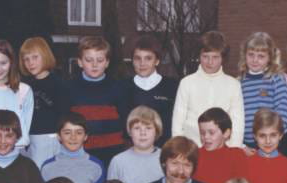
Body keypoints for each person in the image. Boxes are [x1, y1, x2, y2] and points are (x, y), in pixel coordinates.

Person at [172, 30, 244, 148]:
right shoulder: (186, 83)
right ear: (199, 56)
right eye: (205, 57)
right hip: (191, 148)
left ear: (223, 58)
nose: (210, 62)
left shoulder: (233, 85)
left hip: (222, 150)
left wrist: (234, 149)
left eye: (215, 57)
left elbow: (237, 123)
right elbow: (177, 122)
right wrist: (179, 148)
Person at [66, 36, 128, 165]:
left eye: (100, 60)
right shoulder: (69, 88)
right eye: (89, 60)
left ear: (107, 63)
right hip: (80, 154)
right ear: (80, 62)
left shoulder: (118, 88)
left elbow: (125, 120)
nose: (94, 65)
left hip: (113, 154)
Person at [41, 112, 106, 183]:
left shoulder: (96, 166)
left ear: (86, 136)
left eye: (79, 133)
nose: (73, 137)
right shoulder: (47, 167)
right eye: (67, 133)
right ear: (59, 136)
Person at [20, 36, 71, 169]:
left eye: (35, 57)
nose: (31, 63)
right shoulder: (25, 85)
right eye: (26, 59)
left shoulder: (59, 84)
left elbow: (64, 114)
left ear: (45, 56)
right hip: (30, 139)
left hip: (52, 138)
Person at [238, 31, 287, 148]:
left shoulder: (276, 79)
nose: (255, 60)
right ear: (244, 55)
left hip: (270, 142)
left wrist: (273, 137)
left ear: (270, 58)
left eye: (261, 56)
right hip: (245, 144)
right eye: (251, 55)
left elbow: (283, 113)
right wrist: (241, 145)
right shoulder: (239, 82)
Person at [124, 35, 178, 145]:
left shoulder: (173, 87)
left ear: (157, 61)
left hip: (165, 150)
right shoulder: (122, 87)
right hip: (132, 150)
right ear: (132, 61)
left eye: (148, 58)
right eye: (137, 58)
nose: (142, 63)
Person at [193, 107, 248, 183]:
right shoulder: (194, 155)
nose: (206, 137)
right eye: (202, 133)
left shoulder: (236, 156)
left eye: (211, 132)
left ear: (226, 133)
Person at [107, 106, 165, 183]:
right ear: (130, 132)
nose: (143, 133)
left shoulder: (166, 158)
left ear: (157, 131)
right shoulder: (118, 161)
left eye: (148, 128)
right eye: (137, 128)